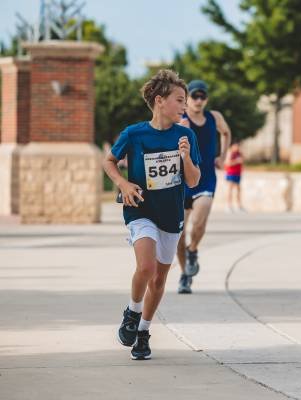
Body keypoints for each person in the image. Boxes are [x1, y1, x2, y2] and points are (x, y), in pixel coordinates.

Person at [103, 69, 201, 360]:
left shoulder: (185, 135)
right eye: (179, 100)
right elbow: (109, 161)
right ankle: (132, 314)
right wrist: (122, 183)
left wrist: (185, 157)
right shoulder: (134, 134)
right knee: (145, 267)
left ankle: (143, 332)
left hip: (171, 215)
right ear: (160, 100)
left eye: (185, 101)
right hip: (140, 210)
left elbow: (193, 180)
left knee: (158, 280)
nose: (184, 106)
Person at [176, 80, 232, 294]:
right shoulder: (180, 119)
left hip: (206, 178)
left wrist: (223, 156)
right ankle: (184, 275)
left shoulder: (214, 117)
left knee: (199, 222)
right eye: (194, 96)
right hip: (181, 182)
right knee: (179, 233)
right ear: (187, 98)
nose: (199, 100)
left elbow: (226, 132)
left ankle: (193, 250)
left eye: (202, 96)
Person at [224, 141, 245, 212]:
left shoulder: (239, 153)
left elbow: (242, 161)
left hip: (238, 173)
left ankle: (239, 205)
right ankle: (228, 205)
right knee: (230, 189)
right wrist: (236, 161)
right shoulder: (230, 153)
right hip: (231, 173)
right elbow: (227, 163)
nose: (237, 147)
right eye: (236, 146)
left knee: (238, 189)